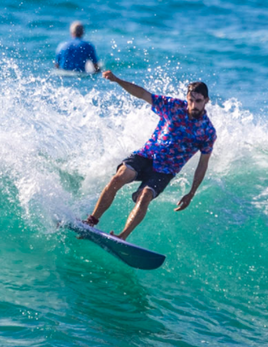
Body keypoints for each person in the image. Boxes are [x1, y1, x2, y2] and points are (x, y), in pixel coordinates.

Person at [83, 72, 215, 241]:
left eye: (198, 101)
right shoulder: (173, 106)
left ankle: (122, 237)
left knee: (145, 196)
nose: (193, 105)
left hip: (165, 170)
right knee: (119, 177)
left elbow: (203, 164)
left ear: (206, 101)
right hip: (147, 155)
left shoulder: (207, 132)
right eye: (190, 100)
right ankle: (91, 221)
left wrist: (191, 192)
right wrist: (117, 80)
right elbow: (143, 94)